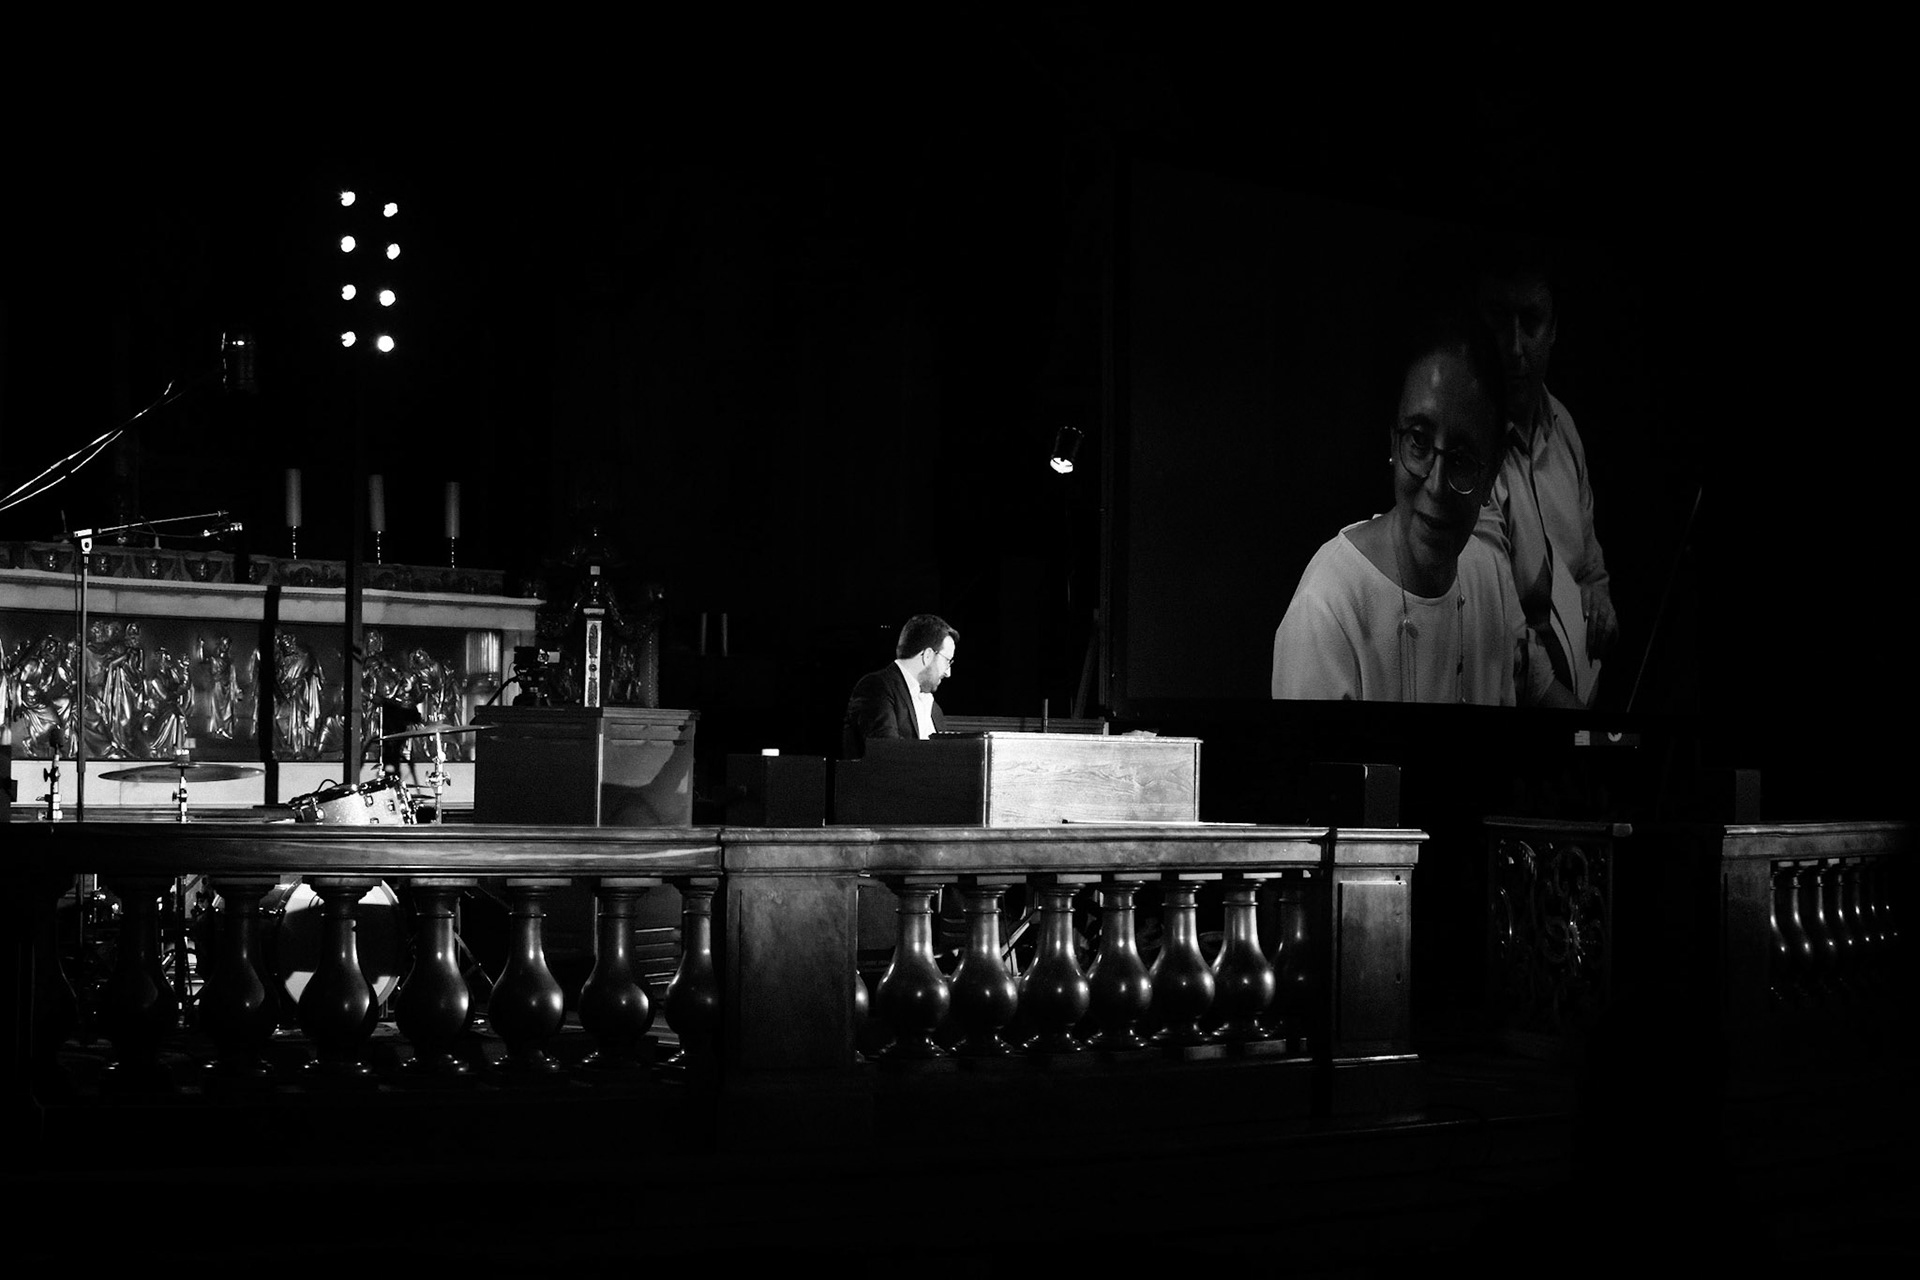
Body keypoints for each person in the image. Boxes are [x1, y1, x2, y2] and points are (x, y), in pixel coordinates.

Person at [1271, 306, 1565, 706]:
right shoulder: (1327, 609)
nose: (1437, 485)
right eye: (1419, 441)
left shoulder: (1488, 577)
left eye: (1461, 458)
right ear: (1394, 442)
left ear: (1492, 472)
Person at [1473, 237, 1618, 707]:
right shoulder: (1470, 449)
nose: (1514, 347)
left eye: (1531, 321)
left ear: (1554, 329)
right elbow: (1500, 629)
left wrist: (1598, 599)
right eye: (1499, 320)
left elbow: (1591, 567)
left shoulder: (1564, 426)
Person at [841, 614, 959, 757]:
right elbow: (887, 755)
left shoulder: (935, 710)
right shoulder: (876, 687)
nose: (948, 673)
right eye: (947, 661)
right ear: (928, 655)